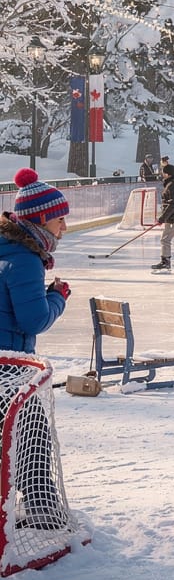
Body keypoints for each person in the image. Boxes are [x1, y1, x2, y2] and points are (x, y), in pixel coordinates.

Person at [0, 169, 72, 531]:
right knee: (31, 436)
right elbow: (33, 320)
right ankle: (41, 510)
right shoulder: (26, 259)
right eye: (60, 219)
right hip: (8, 366)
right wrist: (57, 296)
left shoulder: (8, 248)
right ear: (41, 219)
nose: (64, 227)